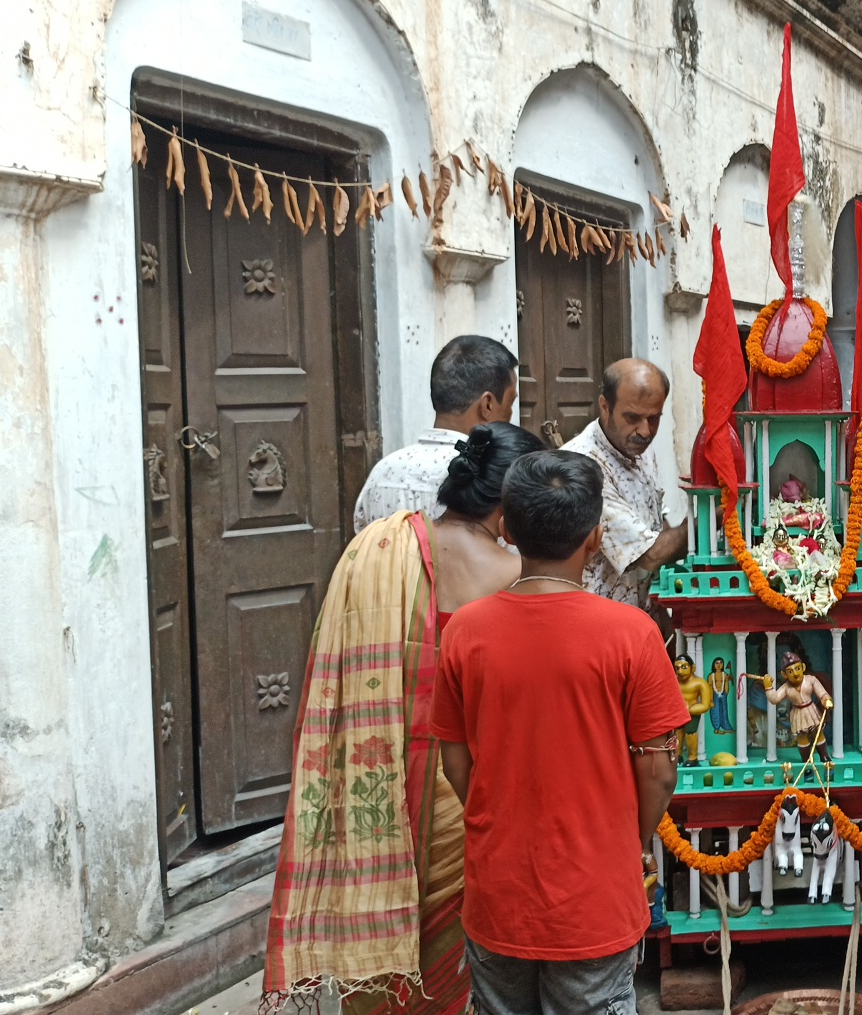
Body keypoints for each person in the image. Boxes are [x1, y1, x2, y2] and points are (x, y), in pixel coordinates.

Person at [263, 422, 543, 1015]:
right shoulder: (515, 577)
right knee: (457, 955)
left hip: (380, 770)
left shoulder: (382, 547)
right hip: (462, 784)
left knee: (387, 943)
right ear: (514, 501)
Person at [432, 450, 688, 1015]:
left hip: (498, 890)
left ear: (506, 529)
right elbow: (659, 769)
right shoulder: (632, 635)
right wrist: (629, 841)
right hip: (592, 894)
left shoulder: (465, 632)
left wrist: (497, 817)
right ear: (595, 537)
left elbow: (455, 762)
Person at [354, 335, 518, 533]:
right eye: (510, 403)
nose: (510, 414)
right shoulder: (494, 476)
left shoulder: (381, 473)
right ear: (488, 405)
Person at [562, 359, 688, 609]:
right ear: (605, 406)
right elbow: (649, 555)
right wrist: (711, 518)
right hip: (597, 620)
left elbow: (655, 523)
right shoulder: (583, 466)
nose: (645, 431)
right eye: (633, 417)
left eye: (654, 418)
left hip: (639, 614)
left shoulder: (639, 448)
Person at [749, 646, 833, 764]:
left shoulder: (810, 680)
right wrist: (768, 686)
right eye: (790, 671)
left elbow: (822, 692)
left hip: (811, 710)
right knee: (802, 737)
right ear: (784, 674)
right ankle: (806, 761)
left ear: (803, 667)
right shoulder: (786, 687)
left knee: (818, 733)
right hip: (798, 713)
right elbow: (774, 699)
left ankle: (825, 757)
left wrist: (826, 699)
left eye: (797, 668)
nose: (795, 673)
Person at [674, 655, 715, 765]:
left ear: (693, 668)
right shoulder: (674, 682)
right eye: (677, 668)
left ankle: (693, 757)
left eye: (684, 667)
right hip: (678, 712)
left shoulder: (700, 683)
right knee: (677, 733)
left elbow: (705, 705)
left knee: (690, 733)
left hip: (692, 711)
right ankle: (677, 754)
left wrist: (689, 709)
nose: (680, 671)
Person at [707, 656, 735, 735]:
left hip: (723, 694)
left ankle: (726, 727)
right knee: (715, 711)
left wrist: (726, 692)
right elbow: (710, 687)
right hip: (715, 694)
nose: (719, 665)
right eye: (717, 663)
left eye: (721, 663)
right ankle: (717, 728)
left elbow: (726, 684)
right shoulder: (711, 676)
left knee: (724, 711)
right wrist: (711, 700)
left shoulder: (725, 674)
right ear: (714, 664)